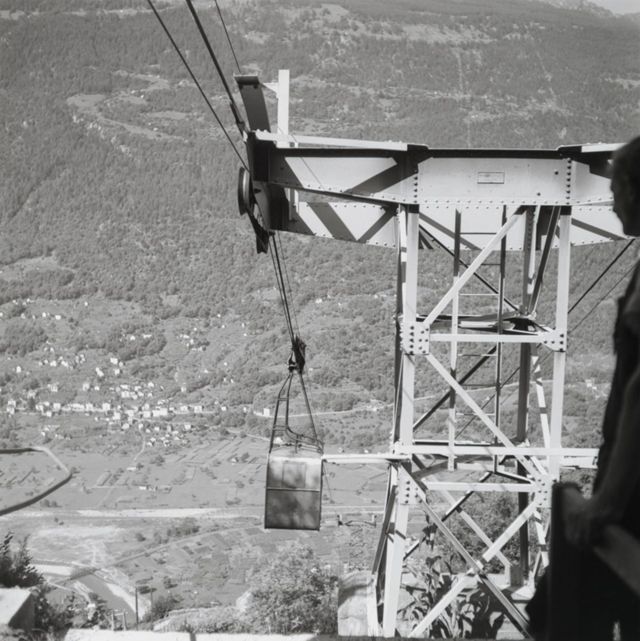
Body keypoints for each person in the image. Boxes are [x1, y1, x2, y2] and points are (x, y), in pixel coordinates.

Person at [528, 135, 640, 640]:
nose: (612, 205)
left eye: (616, 192)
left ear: (634, 191)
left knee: (558, 606)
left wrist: (607, 503)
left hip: (631, 499)